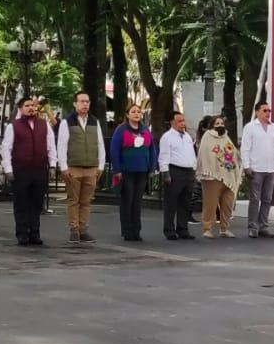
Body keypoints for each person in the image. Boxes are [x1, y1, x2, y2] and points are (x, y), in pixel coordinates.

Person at [0, 97, 57, 247]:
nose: (31, 108)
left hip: (39, 170)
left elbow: (51, 146)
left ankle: (35, 233)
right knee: (21, 204)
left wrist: (52, 166)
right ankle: (22, 234)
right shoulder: (14, 126)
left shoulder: (44, 125)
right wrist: (8, 169)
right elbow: (6, 148)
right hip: (20, 171)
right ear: (21, 109)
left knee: (37, 204)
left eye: (32, 105)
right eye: (27, 106)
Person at [57, 93, 106, 243]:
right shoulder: (67, 122)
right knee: (73, 200)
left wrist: (101, 166)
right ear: (75, 104)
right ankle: (74, 229)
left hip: (91, 167)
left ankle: (83, 230)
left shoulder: (94, 121)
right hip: (74, 167)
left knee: (86, 201)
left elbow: (100, 144)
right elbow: (62, 145)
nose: (85, 104)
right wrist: (63, 167)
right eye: (82, 101)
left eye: (87, 101)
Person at [109, 103, 154, 242]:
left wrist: (152, 167)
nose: (136, 114)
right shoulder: (121, 130)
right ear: (127, 114)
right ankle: (127, 231)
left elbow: (152, 149)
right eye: (133, 111)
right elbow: (114, 150)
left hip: (142, 171)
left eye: (138, 111)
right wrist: (117, 169)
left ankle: (136, 230)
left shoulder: (145, 129)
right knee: (127, 201)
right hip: (126, 171)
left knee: (137, 202)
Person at [241, 103, 274, 238]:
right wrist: (246, 166)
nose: (268, 113)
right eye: (265, 110)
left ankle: (263, 226)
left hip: (271, 169)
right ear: (257, 112)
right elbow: (245, 148)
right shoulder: (250, 127)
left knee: (267, 199)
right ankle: (253, 226)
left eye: (269, 110)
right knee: (255, 199)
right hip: (256, 169)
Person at [196, 116, 239, 238]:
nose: (220, 125)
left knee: (228, 204)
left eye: (221, 123)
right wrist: (220, 159)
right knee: (210, 204)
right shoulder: (207, 137)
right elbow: (205, 154)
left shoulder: (226, 137)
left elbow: (232, 152)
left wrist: (233, 160)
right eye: (217, 123)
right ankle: (207, 228)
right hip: (212, 176)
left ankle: (224, 228)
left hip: (228, 175)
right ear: (212, 125)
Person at [157, 111, 197, 241]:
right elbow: (163, 156)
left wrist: (194, 169)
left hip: (188, 171)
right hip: (175, 170)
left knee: (185, 203)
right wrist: (166, 173)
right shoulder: (167, 137)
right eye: (179, 121)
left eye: (183, 121)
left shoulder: (187, 137)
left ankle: (183, 229)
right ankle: (169, 230)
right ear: (172, 122)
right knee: (171, 203)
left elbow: (191, 154)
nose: (182, 124)